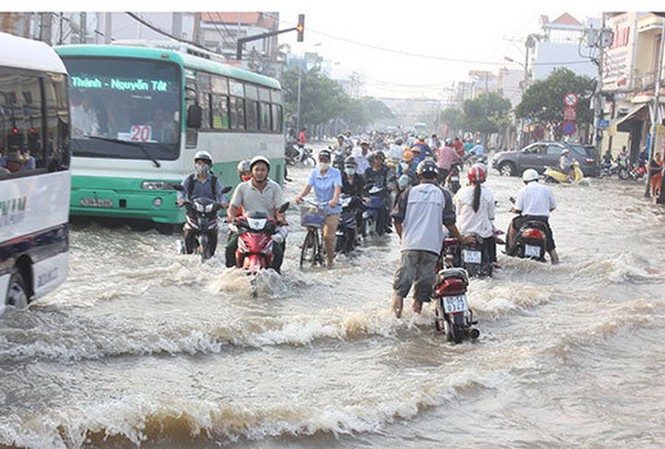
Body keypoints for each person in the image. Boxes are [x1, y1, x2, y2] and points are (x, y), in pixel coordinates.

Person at [391, 159, 472, 318]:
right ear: (436, 176)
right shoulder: (444, 194)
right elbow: (449, 223)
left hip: (410, 245)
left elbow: (396, 220)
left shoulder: (408, 192)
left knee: (400, 288)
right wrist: (461, 238)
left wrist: (403, 238)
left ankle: (396, 320)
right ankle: (416, 316)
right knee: (422, 287)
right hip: (432, 248)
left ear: (418, 175)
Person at [226, 155, 287, 273]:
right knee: (230, 247)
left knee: (278, 251)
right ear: (252, 172)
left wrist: (280, 218)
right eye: (256, 170)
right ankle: (231, 274)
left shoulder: (275, 187)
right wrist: (232, 217)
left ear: (267, 172)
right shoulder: (242, 187)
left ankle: (276, 275)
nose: (259, 173)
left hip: (268, 228)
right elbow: (232, 207)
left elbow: (280, 209)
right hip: (246, 228)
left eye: (263, 170)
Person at [295, 149, 342, 268]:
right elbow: (308, 187)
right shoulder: (314, 173)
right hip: (318, 205)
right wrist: (300, 195)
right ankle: (310, 242)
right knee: (307, 222)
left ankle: (330, 261)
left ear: (329, 161)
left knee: (328, 237)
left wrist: (335, 200)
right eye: (321, 160)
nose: (323, 162)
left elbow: (337, 188)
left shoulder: (335, 173)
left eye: (325, 160)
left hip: (332, 208)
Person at [177, 150, 229, 255]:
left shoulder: (214, 180)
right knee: (189, 228)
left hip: (210, 212)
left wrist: (223, 202)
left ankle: (212, 252)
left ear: (209, 165)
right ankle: (187, 250)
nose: (202, 166)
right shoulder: (190, 179)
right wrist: (181, 199)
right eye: (199, 163)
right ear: (195, 164)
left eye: (205, 163)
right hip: (194, 211)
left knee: (214, 230)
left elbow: (221, 193)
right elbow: (182, 191)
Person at [508, 168, 559, 264]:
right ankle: (555, 262)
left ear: (524, 180)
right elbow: (552, 207)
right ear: (537, 179)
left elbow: (518, 209)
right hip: (543, 222)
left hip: (526, 220)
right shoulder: (547, 190)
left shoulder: (523, 190)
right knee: (551, 248)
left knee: (513, 224)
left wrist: (513, 210)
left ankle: (510, 250)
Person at [454, 164, 499, 268]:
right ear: (484, 179)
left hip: (464, 232)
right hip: (483, 234)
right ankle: (493, 261)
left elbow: (458, 212)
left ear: (469, 178)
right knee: (492, 241)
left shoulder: (461, 192)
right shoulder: (488, 194)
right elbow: (491, 216)